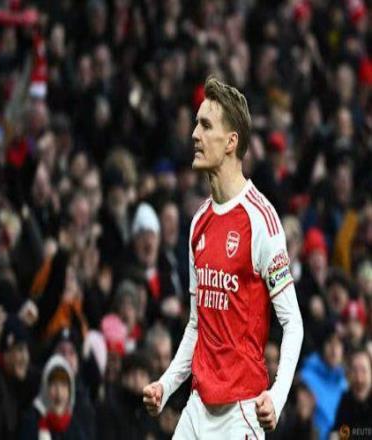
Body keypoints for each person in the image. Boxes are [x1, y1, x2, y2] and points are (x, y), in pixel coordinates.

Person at [142, 77, 304, 438]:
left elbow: (293, 322)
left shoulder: (261, 221)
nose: (194, 135)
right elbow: (197, 325)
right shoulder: (199, 221)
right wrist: (166, 385)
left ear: (231, 142)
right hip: (197, 407)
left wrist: (276, 397)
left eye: (206, 125)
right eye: (196, 124)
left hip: (241, 414)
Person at [330, 350, 372, 439]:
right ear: (348, 375)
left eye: (364, 371)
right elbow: (339, 433)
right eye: (355, 371)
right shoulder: (345, 401)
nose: (359, 378)